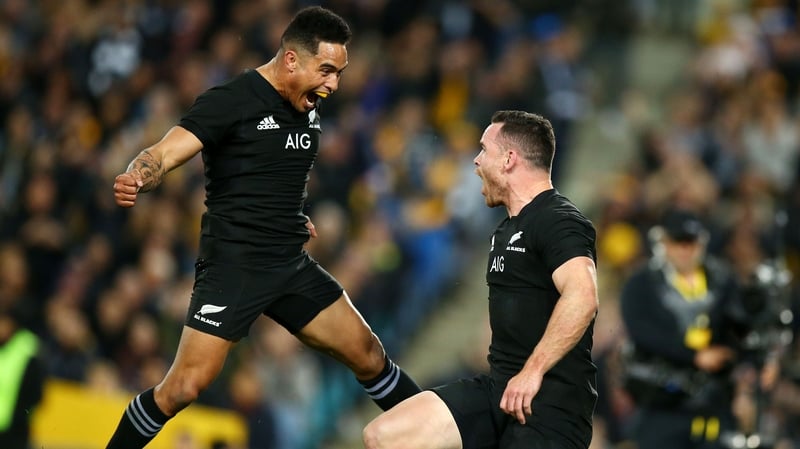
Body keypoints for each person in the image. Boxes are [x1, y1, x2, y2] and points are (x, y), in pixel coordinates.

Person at [106, 7, 420, 448]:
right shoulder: (231, 100)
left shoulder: (306, 102)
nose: (333, 84)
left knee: (369, 355)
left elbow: (274, 169)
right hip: (232, 268)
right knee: (182, 389)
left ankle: (447, 434)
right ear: (291, 59)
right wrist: (138, 175)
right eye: (326, 70)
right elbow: (165, 152)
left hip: (289, 265)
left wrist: (291, 214)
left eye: (339, 73)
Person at [363, 110, 599, 449]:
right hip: (498, 393)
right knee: (384, 437)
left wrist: (533, 371)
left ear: (508, 159)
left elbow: (583, 296)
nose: (476, 160)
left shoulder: (558, 220)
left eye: (484, 150)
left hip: (551, 409)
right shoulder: (504, 229)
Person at [619, 209, 743, 449]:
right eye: (678, 242)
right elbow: (642, 330)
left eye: (692, 242)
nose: (686, 250)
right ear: (664, 243)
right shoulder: (642, 283)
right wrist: (694, 355)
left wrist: (733, 354)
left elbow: (738, 326)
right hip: (662, 402)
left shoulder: (723, 280)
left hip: (713, 402)